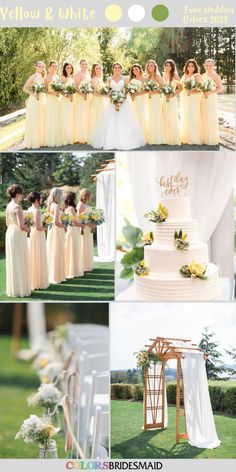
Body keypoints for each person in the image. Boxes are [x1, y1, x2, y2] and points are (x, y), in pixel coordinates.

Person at [89, 62, 145, 150]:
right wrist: (114, 100)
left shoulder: (125, 78)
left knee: (125, 120)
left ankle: (127, 140)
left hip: (124, 102)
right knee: (110, 120)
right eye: (115, 67)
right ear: (113, 69)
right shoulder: (109, 78)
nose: (117, 69)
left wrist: (120, 100)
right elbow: (108, 90)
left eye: (119, 67)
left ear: (121, 69)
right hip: (112, 101)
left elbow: (126, 91)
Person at [5, 184, 31, 297]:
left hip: (10, 232)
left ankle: (13, 289)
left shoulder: (8, 206)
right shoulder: (17, 207)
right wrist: (29, 228)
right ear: (18, 194)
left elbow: (7, 223)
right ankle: (21, 289)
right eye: (22, 193)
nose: (22, 196)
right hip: (18, 234)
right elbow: (21, 226)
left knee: (13, 260)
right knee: (20, 259)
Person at [27, 191, 49, 290]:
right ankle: (38, 282)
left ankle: (33, 281)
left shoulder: (29, 209)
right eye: (40, 198)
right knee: (38, 256)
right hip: (38, 235)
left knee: (34, 256)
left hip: (32, 235)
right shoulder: (36, 211)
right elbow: (39, 227)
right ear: (37, 200)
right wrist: (47, 228)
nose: (41, 200)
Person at [23, 61, 46, 149]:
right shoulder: (33, 77)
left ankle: (41, 140)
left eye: (42, 66)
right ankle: (34, 141)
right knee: (35, 119)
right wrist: (34, 94)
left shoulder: (43, 77)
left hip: (42, 99)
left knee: (42, 118)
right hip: (35, 99)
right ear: (36, 67)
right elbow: (25, 88)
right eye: (39, 66)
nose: (41, 68)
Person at [181, 58, 203, 145]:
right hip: (185, 98)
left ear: (195, 67)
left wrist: (192, 90)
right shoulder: (184, 76)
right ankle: (186, 137)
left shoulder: (197, 75)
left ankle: (194, 138)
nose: (190, 67)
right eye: (189, 66)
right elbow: (181, 86)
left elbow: (201, 88)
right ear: (186, 67)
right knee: (186, 116)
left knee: (193, 116)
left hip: (194, 99)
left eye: (192, 66)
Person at [201, 58, 223, 145]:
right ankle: (204, 137)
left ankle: (211, 138)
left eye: (210, 65)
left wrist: (209, 92)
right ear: (204, 66)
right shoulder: (203, 75)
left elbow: (220, 88)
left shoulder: (215, 76)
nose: (208, 67)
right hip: (203, 97)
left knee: (210, 116)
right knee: (203, 115)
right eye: (207, 65)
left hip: (211, 98)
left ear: (213, 66)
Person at [47, 188, 66, 284]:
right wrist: (64, 225)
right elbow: (56, 222)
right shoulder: (57, 206)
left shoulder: (51, 205)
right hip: (57, 230)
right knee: (57, 252)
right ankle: (57, 276)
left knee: (53, 251)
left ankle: (53, 274)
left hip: (52, 231)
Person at [162, 59, 182, 145]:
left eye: (169, 65)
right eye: (166, 65)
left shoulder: (175, 76)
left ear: (172, 66)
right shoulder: (163, 75)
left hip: (172, 98)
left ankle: (173, 138)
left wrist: (173, 95)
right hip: (164, 98)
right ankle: (165, 137)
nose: (167, 67)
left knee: (171, 116)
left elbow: (181, 88)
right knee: (164, 115)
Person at [145, 59, 165, 145]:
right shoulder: (146, 76)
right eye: (149, 65)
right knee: (149, 116)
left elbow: (162, 87)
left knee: (155, 116)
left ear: (155, 66)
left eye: (152, 65)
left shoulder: (157, 76)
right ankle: (149, 137)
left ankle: (156, 138)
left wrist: (153, 92)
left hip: (155, 98)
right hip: (147, 98)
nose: (150, 67)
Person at [64, 192, 84, 278]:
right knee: (74, 248)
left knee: (70, 248)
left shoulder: (66, 208)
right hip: (73, 230)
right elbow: (74, 222)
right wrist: (81, 225)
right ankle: (73, 270)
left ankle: (69, 269)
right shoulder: (72, 208)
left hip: (70, 229)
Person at [128, 63, 148, 141]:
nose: (135, 70)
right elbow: (129, 90)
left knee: (141, 115)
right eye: (133, 70)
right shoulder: (132, 80)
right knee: (133, 116)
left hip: (140, 99)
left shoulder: (144, 79)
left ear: (140, 70)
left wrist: (137, 94)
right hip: (132, 100)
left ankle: (142, 135)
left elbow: (146, 90)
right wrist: (131, 94)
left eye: (136, 69)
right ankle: (134, 135)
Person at [44, 60, 62, 147]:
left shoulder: (57, 76)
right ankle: (51, 139)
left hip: (58, 99)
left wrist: (59, 91)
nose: (54, 67)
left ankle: (58, 136)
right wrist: (53, 93)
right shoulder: (48, 77)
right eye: (53, 66)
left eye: (55, 66)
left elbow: (59, 87)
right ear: (49, 67)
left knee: (58, 117)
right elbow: (45, 90)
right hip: (51, 99)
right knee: (52, 117)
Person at [74, 59, 92, 143]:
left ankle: (88, 135)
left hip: (88, 96)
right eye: (82, 64)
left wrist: (88, 91)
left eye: (86, 64)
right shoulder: (78, 74)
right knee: (82, 115)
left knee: (88, 115)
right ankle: (81, 136)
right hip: (81, 97)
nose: (84, 65)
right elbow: (76, 87)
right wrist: (83, 94)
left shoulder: (88, 73)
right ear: (80, 65)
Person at [77, 189, 94, 272]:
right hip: (84, 228)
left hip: (89, 228)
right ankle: (83, 266)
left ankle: (88, 265)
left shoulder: (86, 204)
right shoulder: (80, 205)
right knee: (83, 245)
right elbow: (80, 219)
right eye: (89, 195)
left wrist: (94, 222)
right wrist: (89, 223)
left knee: (88, 245)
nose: (90, 197)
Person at [90, 63, 108, 134]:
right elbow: (94, 93)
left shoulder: (100, 78)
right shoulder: (94, 79)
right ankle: (96, 134)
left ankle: (101, 133)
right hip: (97, 100)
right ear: (94, 70)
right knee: (97, 116)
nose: (98, 70)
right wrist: (104, 96)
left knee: (101, 117)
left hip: (102, 100)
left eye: (99, 68)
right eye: (96, 68)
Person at [60, 62, 76, 145]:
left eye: (70, 67)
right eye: (67, 68)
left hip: (73, 99)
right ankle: (66, 137)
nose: (69, 69)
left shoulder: (73, 77)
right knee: (66, 117)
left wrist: (72, 94)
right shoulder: (63, 77)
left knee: (72, 117)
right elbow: (60, 90)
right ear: (64, 69)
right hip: (65, 100)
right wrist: (67, 96)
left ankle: (72, 137)